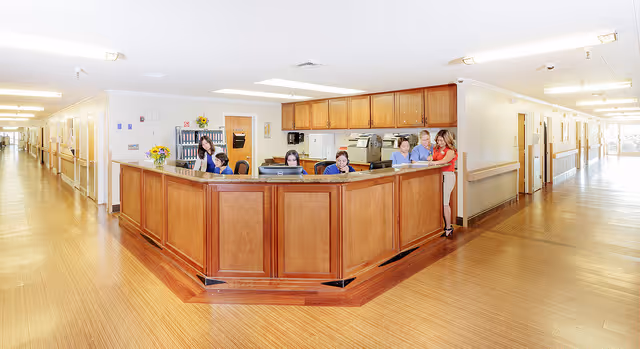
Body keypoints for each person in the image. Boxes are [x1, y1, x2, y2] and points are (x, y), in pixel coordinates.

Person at [427, 130, 458, 238]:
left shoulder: (451, 150)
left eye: (441, 140)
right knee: (438, 202)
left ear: (447, 140)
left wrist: (434, 162)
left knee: (445, 202)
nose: (439, 142)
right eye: (438, 140)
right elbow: (433, 158)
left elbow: (445, 161)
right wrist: (430, 158)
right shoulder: (437, 149)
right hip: (438, 177)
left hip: (448, 176)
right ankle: (441, 226)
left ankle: (448, 228)